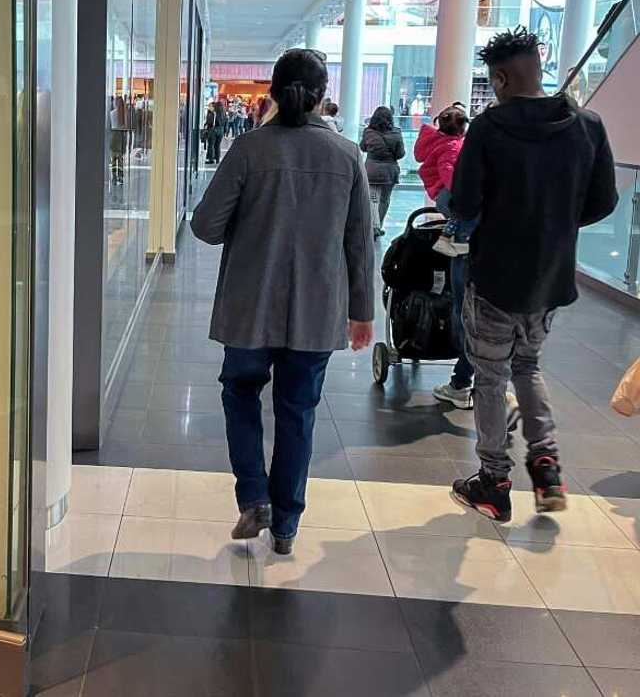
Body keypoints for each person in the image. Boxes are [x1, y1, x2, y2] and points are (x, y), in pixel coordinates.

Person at [190, 49, 374, 555]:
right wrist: (363, 312)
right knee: (298, 411)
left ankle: (254, 497)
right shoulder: (347, 155)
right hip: (317, 310)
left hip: (251, 304)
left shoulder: (249, 150)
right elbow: (361, 242)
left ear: (271, 91)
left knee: (241, 391)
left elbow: (206, 227)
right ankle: (287, 525)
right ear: (322, 97)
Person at [450, 27, 617, 521]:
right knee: (528, 365)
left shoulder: (489, 128)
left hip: (496, 276)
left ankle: (494, 480)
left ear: (500, 78)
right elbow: (603, 201)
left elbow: (463, 203)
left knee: (489, 375)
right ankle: (545, 466)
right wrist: (557, 225)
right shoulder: (588, 126)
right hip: (550, 278)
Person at [416, 101, 475, 409]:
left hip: (468, 236)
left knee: (464, 305)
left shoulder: (445, 144)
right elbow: (454, 180)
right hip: (475, 236)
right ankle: (466, 379)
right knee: (467, 308)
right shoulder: (455, 149)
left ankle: (464, 380)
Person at [416, 103, 473, 256]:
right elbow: (447, 170)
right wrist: (458, 188)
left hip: (441, 192)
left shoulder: (438, 141)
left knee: (457, 219)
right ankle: (447, 240)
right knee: (461, 217)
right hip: (448, 192)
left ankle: (447, 240)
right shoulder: (452, 147)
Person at [360, 106, 405, 237]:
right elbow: (400, 154)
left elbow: (363, 147)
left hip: (371, 170)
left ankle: (373, 226)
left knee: (372, 199)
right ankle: (378, 225)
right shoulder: (397, 133)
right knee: (385, 200)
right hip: (389, 171)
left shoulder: (368, 132)